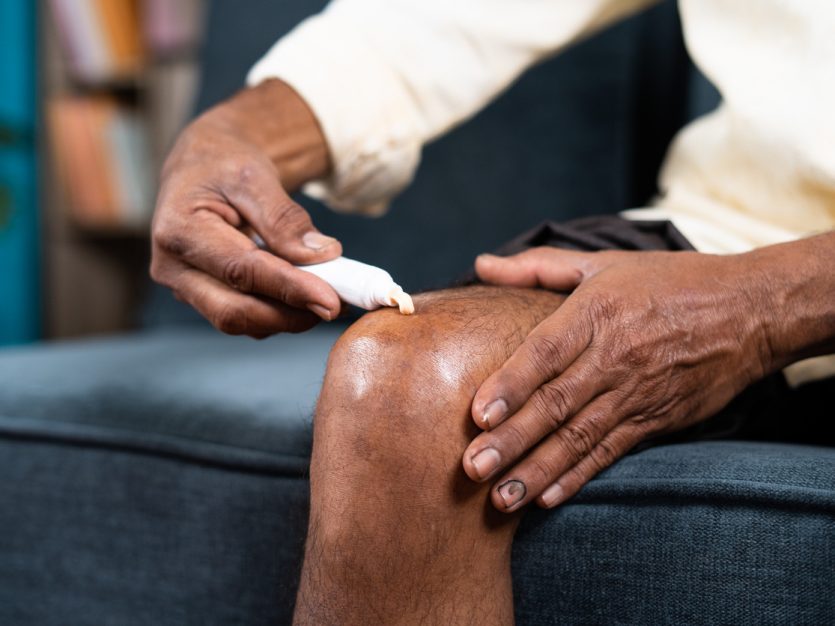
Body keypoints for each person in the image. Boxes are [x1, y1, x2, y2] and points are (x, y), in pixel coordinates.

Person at [150, 1, 835, 623]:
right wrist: (234, 134)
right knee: (412, 381)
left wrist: (765, 305)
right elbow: (443, 20)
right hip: (733, 231)